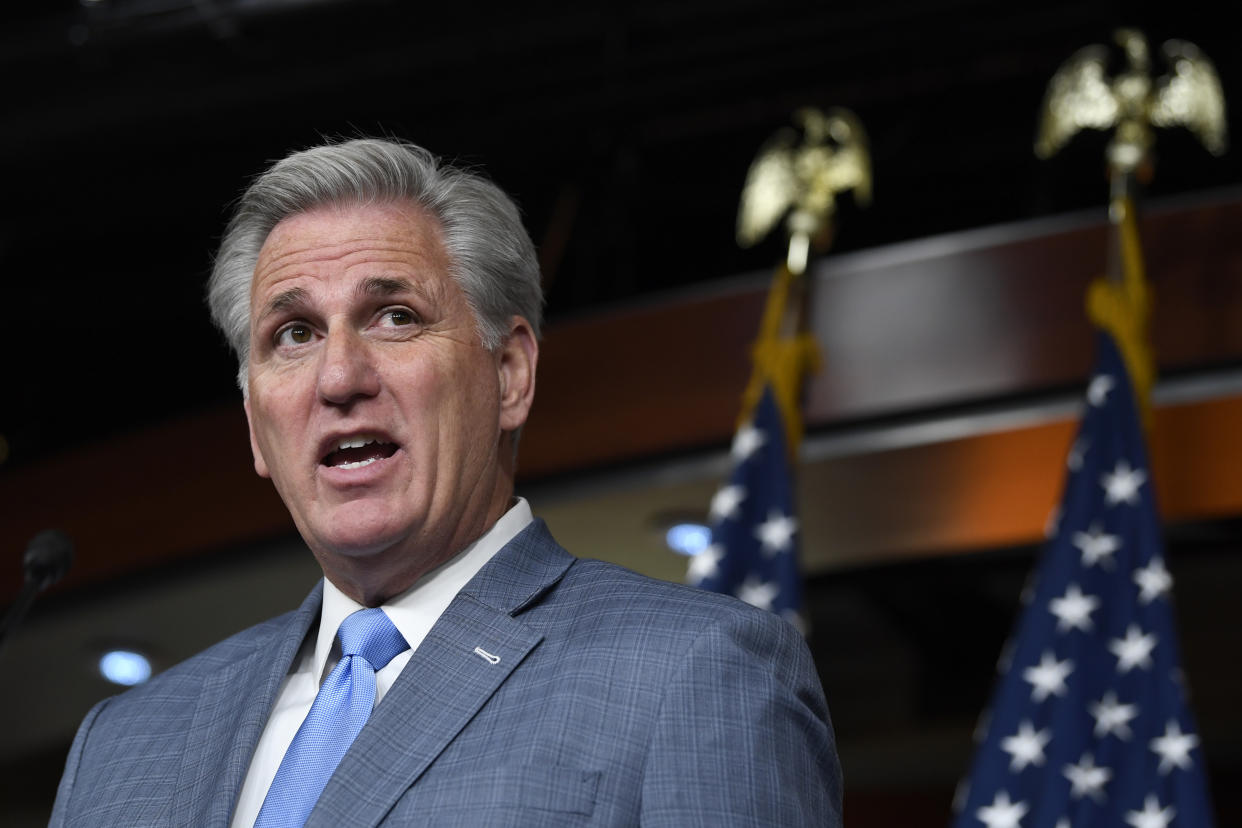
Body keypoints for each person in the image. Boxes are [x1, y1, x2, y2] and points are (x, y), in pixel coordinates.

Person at [49, 137, 842, 826]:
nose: (339, 377)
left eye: (394, 316)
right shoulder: (122, 743)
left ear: (509, 375)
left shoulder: (697, 673)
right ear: (257, 426)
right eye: (293, 334)